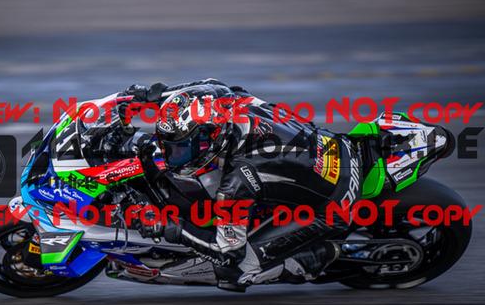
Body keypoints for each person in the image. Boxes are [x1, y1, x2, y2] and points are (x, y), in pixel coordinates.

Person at [123, 79, 363, 291]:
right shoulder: (232, 100)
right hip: (335, 144)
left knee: (235, 270)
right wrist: (156, 94)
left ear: (212, 138)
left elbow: (227, 252)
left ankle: (313, 259)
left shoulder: (239, 180)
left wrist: (173, 228)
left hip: (336, 202)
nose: (171, 156)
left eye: (180, 149)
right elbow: (208, 85)